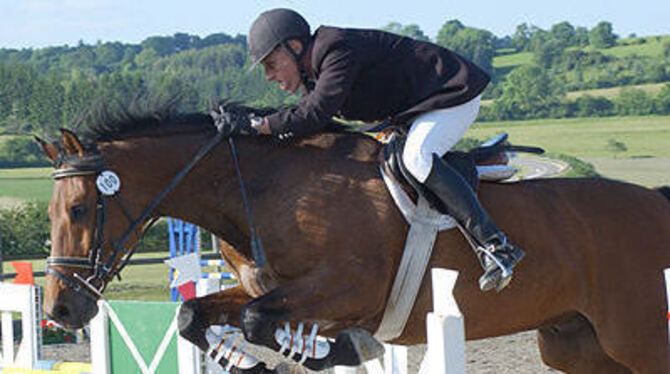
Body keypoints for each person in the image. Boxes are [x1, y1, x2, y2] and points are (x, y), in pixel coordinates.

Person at [245, 8, 524, 291]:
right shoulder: (314, 71)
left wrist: (260, 125)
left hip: (452, 95)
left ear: (294, 47)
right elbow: (305, 118)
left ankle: (496, 247)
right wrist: (256, 129)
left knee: (416, 158)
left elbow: (315, 114)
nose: (269, 75)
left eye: (271, 63)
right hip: (418, 111)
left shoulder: (335, 49)